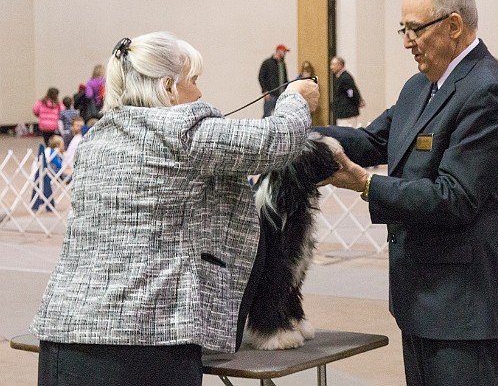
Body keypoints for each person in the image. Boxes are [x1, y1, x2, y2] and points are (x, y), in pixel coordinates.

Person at [30, 31, 319, 386]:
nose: (199, 92)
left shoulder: (96, 139)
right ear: (168, 87)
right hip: (147, 345)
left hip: (63, 336)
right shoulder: (183, 132)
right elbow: (280, 141)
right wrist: (294, 98)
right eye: (193, 80)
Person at [317, 0, 498, 386]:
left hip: (466, 311)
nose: (408, 41)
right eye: (403, 30)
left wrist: (366, 184)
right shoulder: (419, 86)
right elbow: (372, 140)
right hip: (419, 304)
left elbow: (455, 197)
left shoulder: (490, 92)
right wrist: (299, 132)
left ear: (453, 25)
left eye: (415, 29)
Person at [330, 56, 365, 127]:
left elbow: (351, 92)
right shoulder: (339, 77)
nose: (331, 67)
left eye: (333, 64)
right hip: (343, 111)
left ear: (340, 65)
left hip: (347, 111)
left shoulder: (345, 77)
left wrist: (357, 101)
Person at [258, 44, 290, 117]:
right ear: (278, 51)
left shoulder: (283, 64)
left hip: (281, 95)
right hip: (271, 94)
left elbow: (285, 79)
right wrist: (265, 91)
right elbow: (261, 77)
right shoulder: (268, 63)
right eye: (284, 52)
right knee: (267, 115)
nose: (285, 54)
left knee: (279, 116)